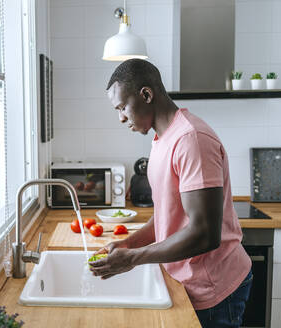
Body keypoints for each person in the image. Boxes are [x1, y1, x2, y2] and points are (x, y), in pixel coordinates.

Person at [89, 59, 252, 328]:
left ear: (146, 94)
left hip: (215, 291)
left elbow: (204, 234)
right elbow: (167, 217)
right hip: (187, 282)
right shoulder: (162, 139)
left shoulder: (191, 139)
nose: (120, 117)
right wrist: (129, 244)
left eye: (122, 107)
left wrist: (133, 258)